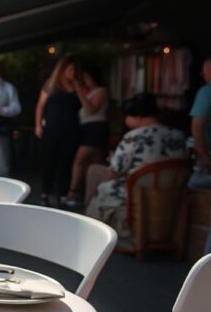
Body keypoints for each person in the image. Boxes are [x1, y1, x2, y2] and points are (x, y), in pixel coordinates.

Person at [86, 93, 187, 247]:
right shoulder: (178, 136)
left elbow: (115, 171)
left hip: (137, 191)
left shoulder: (133, 137)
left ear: (138, 117)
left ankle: (90, 227)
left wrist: (113, 159)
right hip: (172, 191)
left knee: (98, 178)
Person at [34, 56, 81, 206]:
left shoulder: (76, 86)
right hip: (52, 129)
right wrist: (38, 125)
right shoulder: (51, 85)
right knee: (50, 161)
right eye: (70, 69)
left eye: (74, 70)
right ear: (62, 70)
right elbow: (40, 106)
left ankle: (62, 194)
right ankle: (45, 192)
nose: (73, 72)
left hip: (71, 129)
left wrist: (78, 87)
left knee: (66, 162)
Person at [66, 64, 109, 207]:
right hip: (87, 128)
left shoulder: (101, 91)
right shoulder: (90, 92)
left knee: (80, 160)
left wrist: (79, 90)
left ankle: (73, 192)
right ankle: (92, 196)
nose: (85, 80)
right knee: (93, 163)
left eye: (86, 77)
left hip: (95, 128)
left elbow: (90, 109)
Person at [189, 57, 211, 190]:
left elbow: (197, 124)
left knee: (193, 185)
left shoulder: (206, 92)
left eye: (204, 71)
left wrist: (203, 155)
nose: (202, 75)